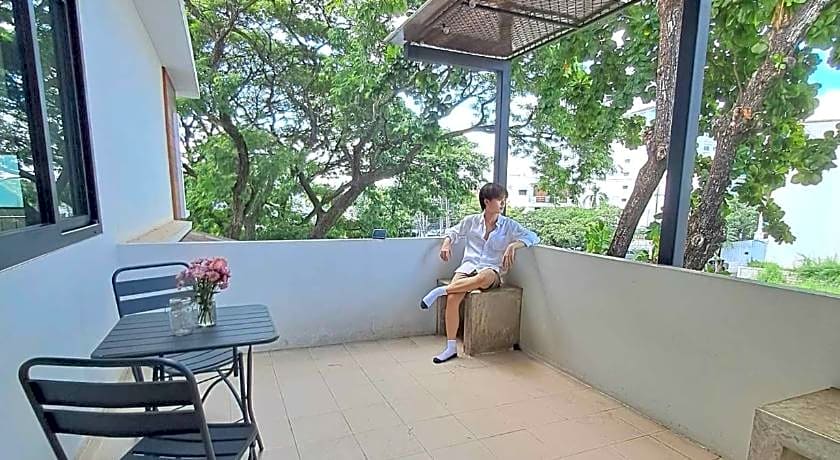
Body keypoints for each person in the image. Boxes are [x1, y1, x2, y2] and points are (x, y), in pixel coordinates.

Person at [420, 183, 539, 363]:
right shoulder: (471, 221)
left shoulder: (509, 225)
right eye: (499, 200)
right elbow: (453, 232)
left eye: (504, 200)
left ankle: (440, 291)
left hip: (491, 271)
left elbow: (533, 237)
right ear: (486, 202)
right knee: (453, 299)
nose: (503, 204)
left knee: (483, 277)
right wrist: (446, 243)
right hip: (468, 267)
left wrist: (513, 245)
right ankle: (451, 348)